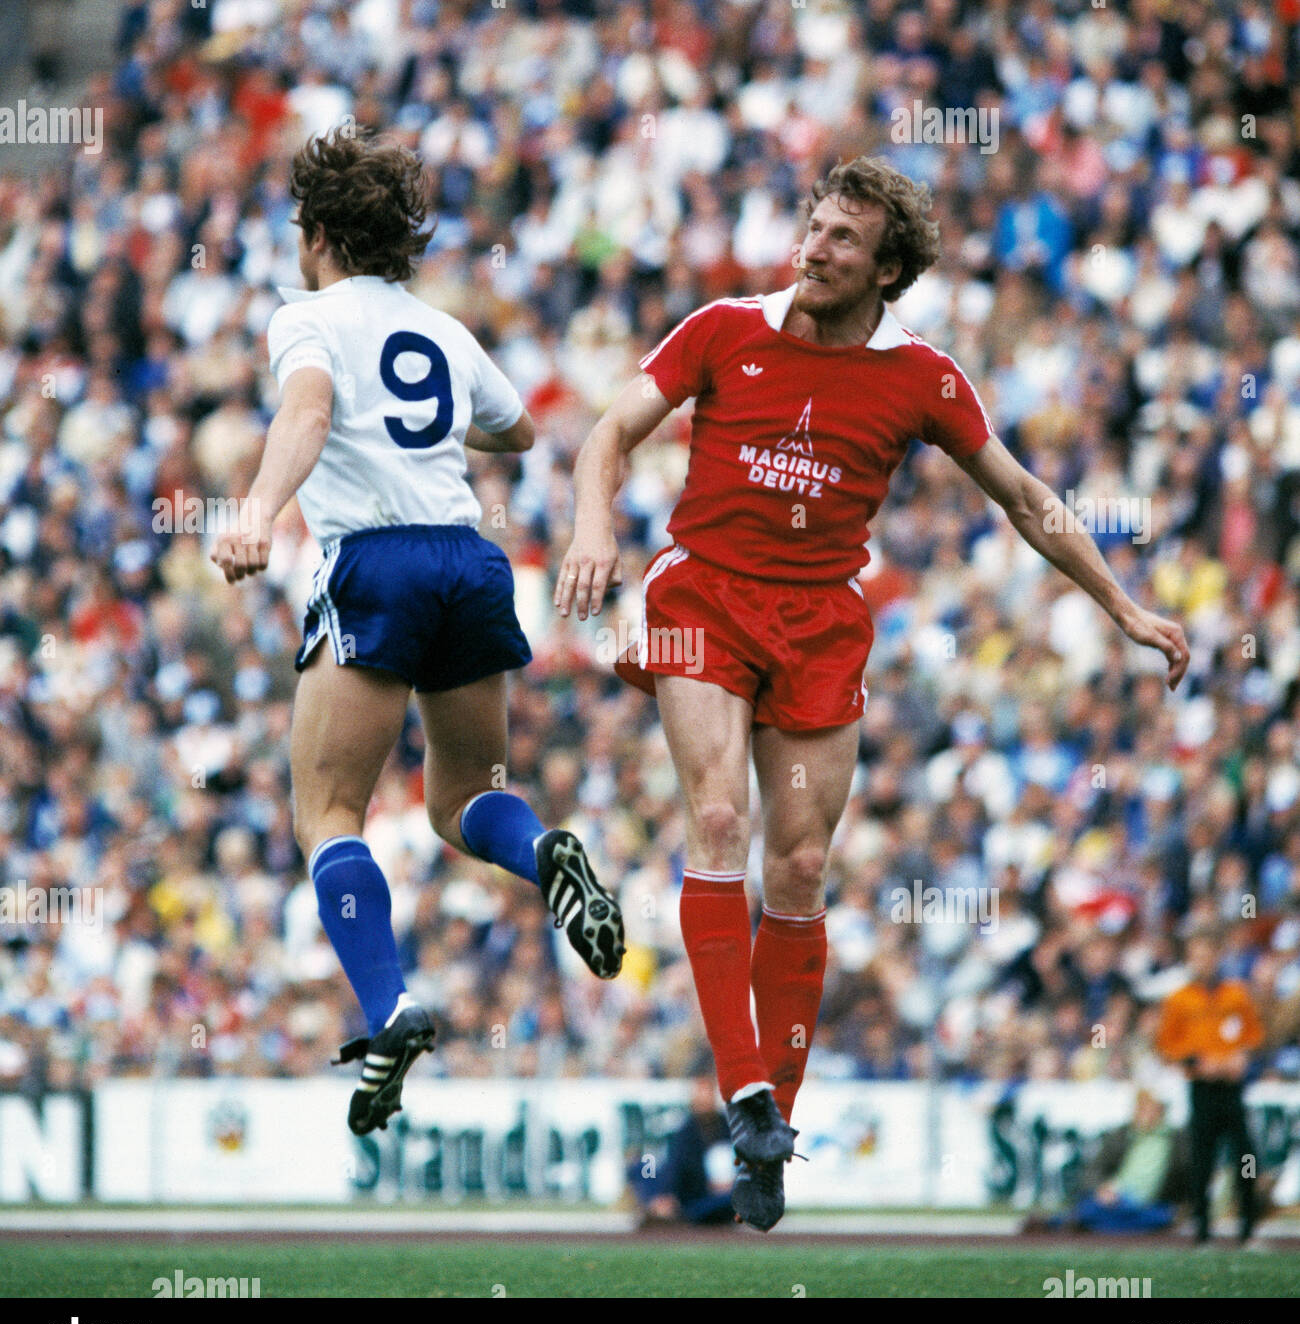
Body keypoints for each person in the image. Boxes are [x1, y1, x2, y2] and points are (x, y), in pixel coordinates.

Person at [555, 155, 1189, 1231]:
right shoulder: (722, 328)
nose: (813, 248)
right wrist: (590, 525)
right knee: (717, 817)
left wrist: (1122, 607)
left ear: (886, 268)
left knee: (798, 870)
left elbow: (1029, 502)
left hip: (820, 625)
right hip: (702, 596)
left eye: (842, 240)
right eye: (812, 228)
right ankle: (742, 1085)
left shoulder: (924, 379)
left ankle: (770, 1133)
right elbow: (610, 431)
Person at [212, 127, 624, 1136]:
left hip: (378, 561)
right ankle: (546, 855)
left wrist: (260, 508)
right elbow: (518, 428)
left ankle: (389, 1009)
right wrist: (436, 434)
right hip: (470, 562)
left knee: (328, 813)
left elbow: (307, 413)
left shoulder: (305, 318)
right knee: (463, 801)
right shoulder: (440, 328)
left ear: (316, 235)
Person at [1156, 930, 1264, 1243]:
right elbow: (1168, 1046)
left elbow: (1252, 1038)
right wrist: (1199, 1063)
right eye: (1196, 956)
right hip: (1202, 1087)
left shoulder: (1236, 994)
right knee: (1202, 1157)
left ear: (1217, 956)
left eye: (1207, 955)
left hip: (1230, 1088)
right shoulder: (1179, 999)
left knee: (1244, 1154)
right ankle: (1202, 1227)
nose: (1202, 962)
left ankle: (1248, 1223)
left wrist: (1239, 1059)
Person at [1028, 1088, 1189, 1234]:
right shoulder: (1121, 1135)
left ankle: (1068, 1223)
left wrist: (1184, 1206)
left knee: (1160, 1217)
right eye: (1142, 1109)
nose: (1146, 1115)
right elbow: (1094, 1169)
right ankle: (1070, 1222)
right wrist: (1102, 1189)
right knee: (1097, 1208)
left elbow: (1188, 1175)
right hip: (1119, 1195)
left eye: (1151, 1109)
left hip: (1153, 1202)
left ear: (1161, 1111)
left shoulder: (1175, 1139)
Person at [626, 1077, 736, 1227]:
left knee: (731, 1199)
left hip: (705, 1196)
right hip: (680, 1191)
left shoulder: (726, 1129)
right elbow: (675, 1165)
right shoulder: (686, 1130)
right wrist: (665, 1194)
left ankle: (672, 1214)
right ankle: (658, 1207)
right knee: (641, 1166)